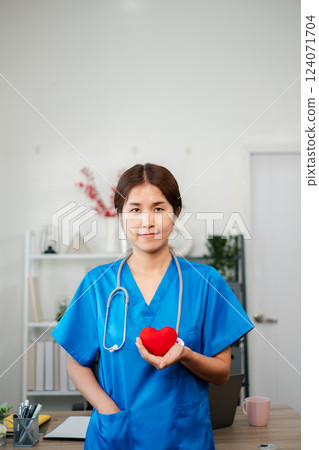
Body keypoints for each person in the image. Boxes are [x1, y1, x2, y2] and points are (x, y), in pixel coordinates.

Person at [52, 162, 254, 449]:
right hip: (117, 435)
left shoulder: (206, 282)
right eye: (135, 209)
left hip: (184, 437)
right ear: (120, 216)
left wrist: (185, 354)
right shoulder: (98, 284)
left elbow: (222, 373)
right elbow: (76, 363)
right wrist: (108, 411)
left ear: (176, 213)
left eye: (159, 208)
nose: (147, 221)